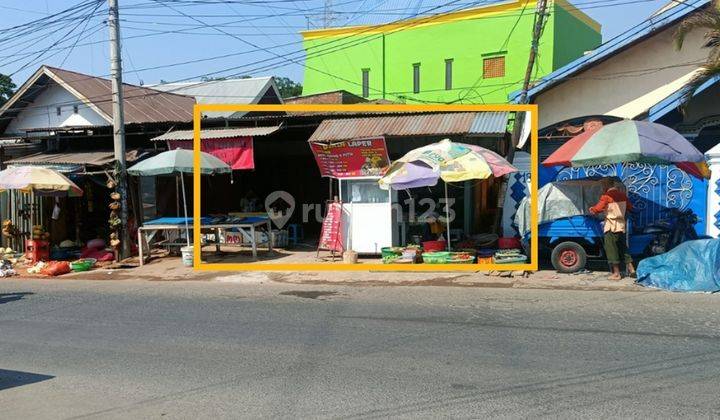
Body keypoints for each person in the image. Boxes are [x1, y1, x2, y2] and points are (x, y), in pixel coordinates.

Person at [589, 180, 636, 280]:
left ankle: (616, 274)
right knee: (623, 248)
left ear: (606, 185)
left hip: (611, 226)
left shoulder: (606, 196)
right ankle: (631, 269)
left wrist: (592, 209)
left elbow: (597, 209)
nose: (602, 187)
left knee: (611, 249)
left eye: (603, 185)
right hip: (621, 225)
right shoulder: (623, 195)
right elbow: (630, 207)